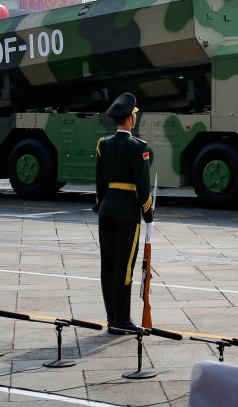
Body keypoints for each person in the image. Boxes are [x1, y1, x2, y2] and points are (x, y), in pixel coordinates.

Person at [93, 93, 153, 334]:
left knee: (107, 265)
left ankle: (112, 318)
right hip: (127, 211)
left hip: (106, 209)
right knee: (124, 266)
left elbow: (99, 182)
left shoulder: (103, 144)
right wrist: (148, 216)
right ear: (130, 118)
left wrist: (101, 205)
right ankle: (122, 320)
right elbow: (143, 187)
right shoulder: (139, 147)